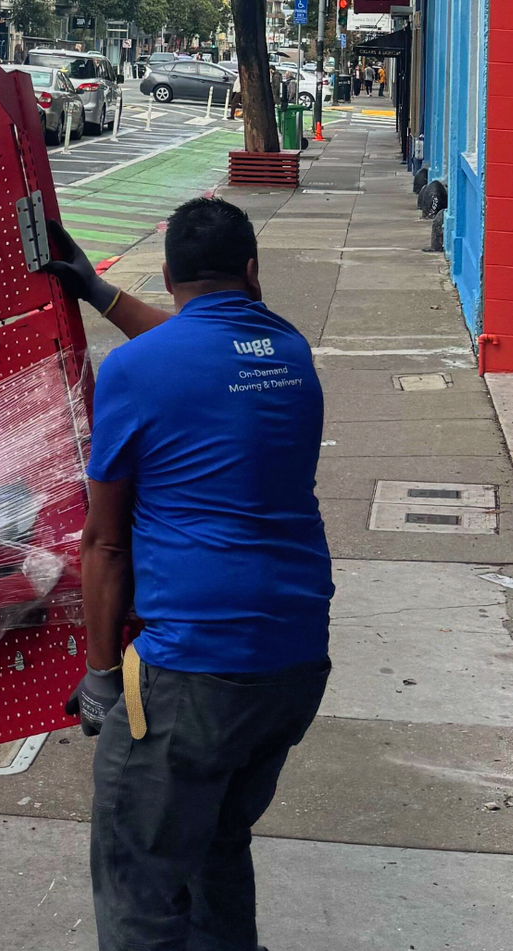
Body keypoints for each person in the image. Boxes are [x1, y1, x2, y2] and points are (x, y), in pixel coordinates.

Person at [48, 200, 333, 951]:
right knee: (214, 845)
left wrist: (101, 675)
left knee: (138, 882)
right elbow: (195, 350)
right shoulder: (288, 352)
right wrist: (99, 293)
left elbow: (105, 545)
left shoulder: (136, 373)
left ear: (170, 276)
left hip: (195, 673)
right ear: (252, 272)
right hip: (294, 665)